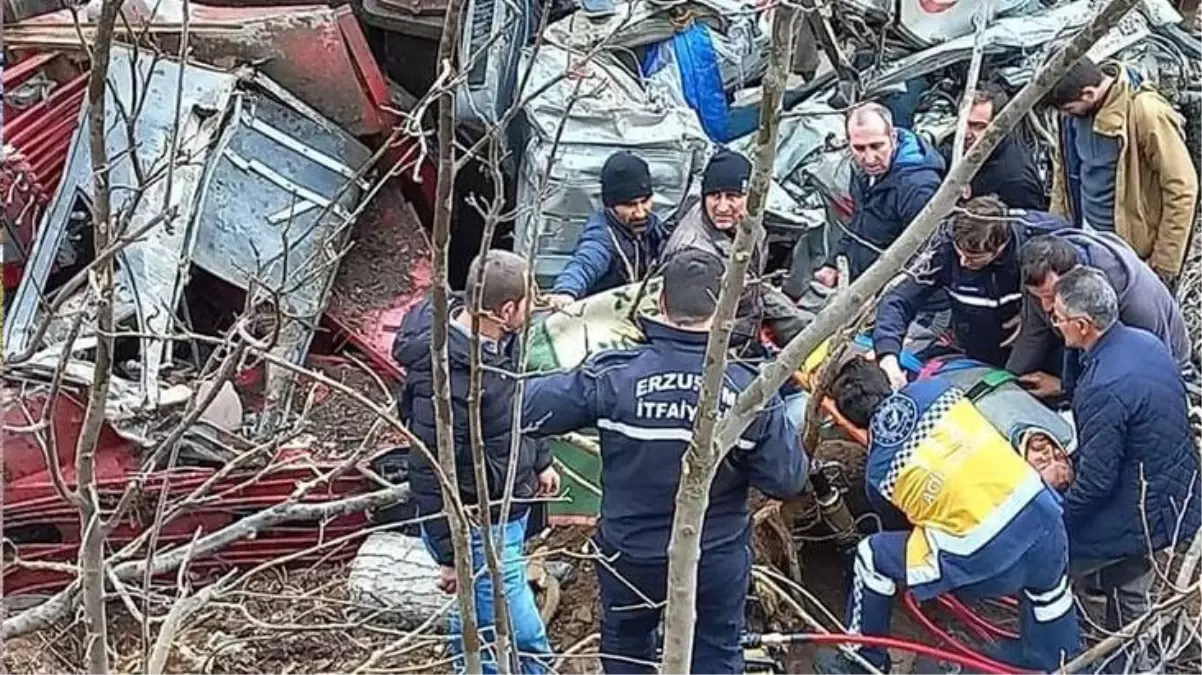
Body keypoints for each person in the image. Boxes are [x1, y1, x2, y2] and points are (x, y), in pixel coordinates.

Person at [522, 248, 810, 675]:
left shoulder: (613, 376)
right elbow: (787, 480)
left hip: (630, 555)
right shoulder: (748, 392)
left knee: (627, 647)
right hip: (714, 556)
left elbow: (525, 409)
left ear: (660, 305)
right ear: (725, 309)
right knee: (715, 649)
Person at [813, 358, 1082, 674]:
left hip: (985, 563)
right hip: (1043, 520)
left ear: (851, 420)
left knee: (871, 557)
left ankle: (863, 660)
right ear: (886, 382)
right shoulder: (939, 390)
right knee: (1048, 591)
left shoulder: (879, 471)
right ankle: (1060, 661)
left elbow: (904, 529)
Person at [392, 249, 557, 675]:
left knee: (478, 617)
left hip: (509, 509)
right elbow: (430, 471)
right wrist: (451, 553)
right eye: (530, 298)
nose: (536, 305)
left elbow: (523, 406)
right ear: (506, 310)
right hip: (477, 524)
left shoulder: (505, 343)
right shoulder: (448, 378)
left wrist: (541, 460)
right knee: (525, 638)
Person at [1050, 267, 1202, 640]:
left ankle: (1065, 647)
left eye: (1058, 317)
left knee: (1050, 561)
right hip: (1176, 495)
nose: (1054, 323)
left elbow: (1097, 482)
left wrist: (1058, 519)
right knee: (1132, 581)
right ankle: (1131, 650)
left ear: (1083, 325)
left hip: (1138, 510)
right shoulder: (1145, 342)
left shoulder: (1104, 385)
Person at [871, 196, 1071, 390]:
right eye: (960, 253)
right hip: (977, 346)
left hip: (1043, 351)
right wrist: (887, 353)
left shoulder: (1039, 237)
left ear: (1000, 247)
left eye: (973, 258)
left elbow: (1078, 285)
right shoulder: (943, 248)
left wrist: (1034, 312)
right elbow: (899, 299)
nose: (963, 262)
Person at [1046, 56, 1198, 289]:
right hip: (1087, 239)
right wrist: (1058, 231)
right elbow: (1062, 175)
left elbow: (1182, 187)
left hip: (1134, 252)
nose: (1066, 114)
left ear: (1088, 93)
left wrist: (1165, 263)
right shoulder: (1071, 117)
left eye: (1069, 109)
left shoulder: (1145, 112)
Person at [1008, 230, 1191, 400]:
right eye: (1037, 297)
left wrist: (1066, 388)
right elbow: (1034, 334)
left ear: (1075, 274)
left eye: (1050, 296)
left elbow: (1151, 370)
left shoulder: (1136, 303)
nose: (1046, 307)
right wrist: (1007, 383)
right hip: (1086, 348)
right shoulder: (1041, 276)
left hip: (1158, 362)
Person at [660, 148, 810, 347]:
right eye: (714, 196)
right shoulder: (694, 256)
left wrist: (803, 328)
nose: (722, 207)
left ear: (751, 197)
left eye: (732, 196)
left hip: (745, 326)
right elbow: (692, 330)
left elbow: (753, 288)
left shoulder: (749, 223)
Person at [814, 102, 945, 287]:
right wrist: (832, 263)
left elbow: (926, 257)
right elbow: (859, 223)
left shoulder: (918, 186)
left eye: (876, 146)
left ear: (892, 136)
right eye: (859, 148)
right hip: (863, 283)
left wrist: (883, 297)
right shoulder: (863, 172)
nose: (869, 159)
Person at [546, 151, 668, 306]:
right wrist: (566, 292)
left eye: (645, 201)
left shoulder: (654, 227)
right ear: (610, 205)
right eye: (629, 205)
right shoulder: (602, 235)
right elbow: (585, 263)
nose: (640, 212)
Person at [939, 83, 1048, 210]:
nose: (966, 133)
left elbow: (1031, 226)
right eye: (963, 123)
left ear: (1000, 127)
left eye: (978, 126)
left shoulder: (1017, 182)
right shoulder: (961, 143)